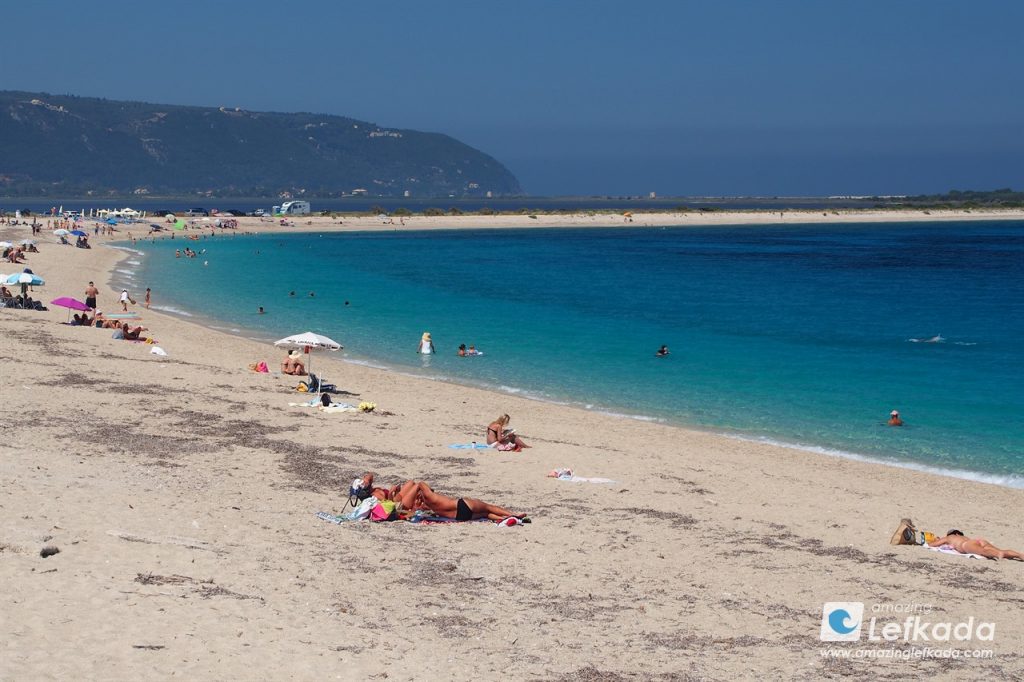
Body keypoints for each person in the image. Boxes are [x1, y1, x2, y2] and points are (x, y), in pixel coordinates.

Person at [927, 530, 1024, 561]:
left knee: (984, 552)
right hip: (978, 540)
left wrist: (936, 540)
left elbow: (932, 545)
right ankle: (1019, 555)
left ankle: (999, 553)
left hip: (966, 545)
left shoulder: (949, 538)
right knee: (995, 549)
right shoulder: (964, 537)